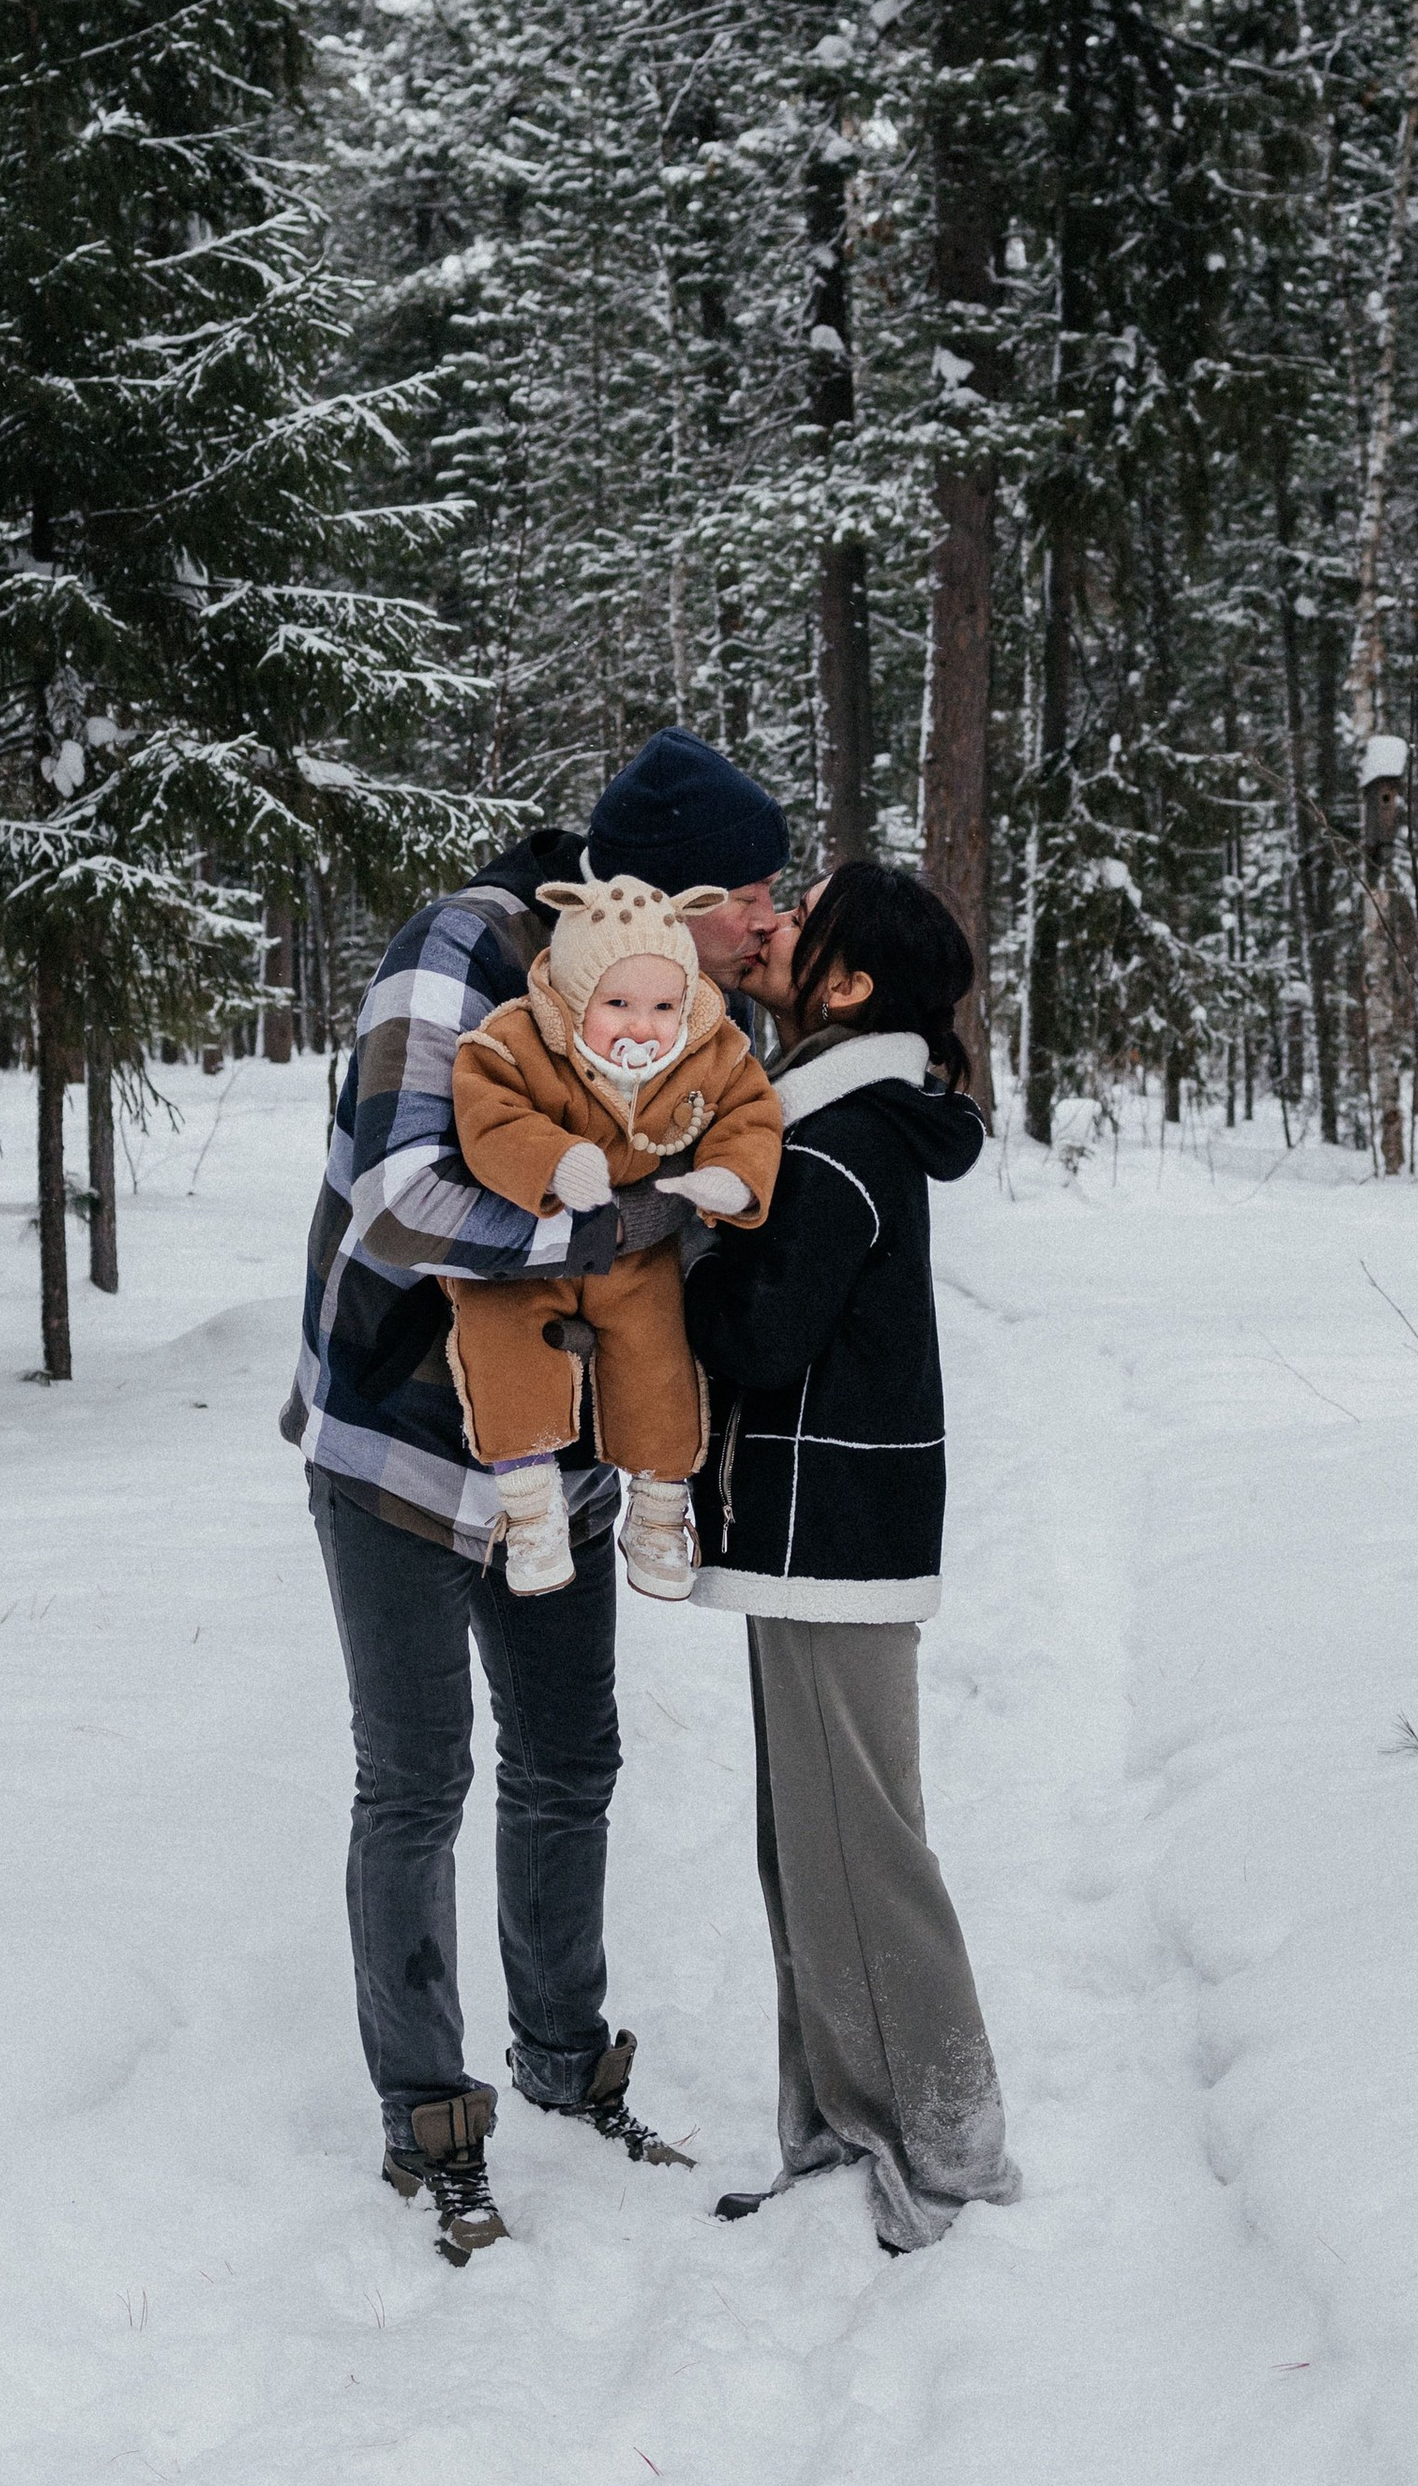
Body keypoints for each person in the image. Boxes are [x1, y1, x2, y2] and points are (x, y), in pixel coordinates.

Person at [284, 728, 789, 2267]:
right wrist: (630, 1229)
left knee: (572, 1761)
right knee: (417, 1780)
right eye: (749, 900)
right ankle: (428, 2115)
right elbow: (402, 1195)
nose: (763, 929)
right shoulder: (462, 952)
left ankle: (566, 2058)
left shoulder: (696, 1011)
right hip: (400, 1441)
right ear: (673, 890)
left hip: (556, 1460)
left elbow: (733, 1181)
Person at [683, 861, 1021, 2255]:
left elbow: (762, 1340)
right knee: (812, 1848)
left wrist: (687, 1255)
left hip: (833, 1535)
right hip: (821, 1531)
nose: (774, 926)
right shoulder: (839, 1112)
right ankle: (839, 2126)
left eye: (802, 919)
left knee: (858, 1847)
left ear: (851, 982)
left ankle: (945, 2157)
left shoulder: (833, 1139)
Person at [446, 872, 782, 1598]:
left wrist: (732, 1175)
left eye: (664, 1005)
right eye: (619, 1003)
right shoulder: (518, 1040)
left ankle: (658, 1515)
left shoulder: (707, 1048)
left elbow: (749, 1112)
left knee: (659, 1359)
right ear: (573, 995)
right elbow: (488, 1113)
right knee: (504, 1351)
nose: (644, 1026)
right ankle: (530, 1512)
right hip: (527, 1247)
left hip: (637, 1260)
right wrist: (553, 1159)